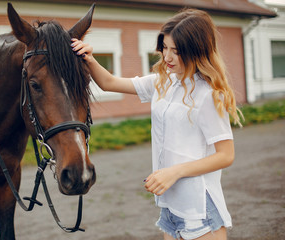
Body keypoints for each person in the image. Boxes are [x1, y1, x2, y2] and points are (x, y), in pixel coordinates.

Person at [71, 8, 243, 240]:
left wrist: (174, 172)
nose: (167, 57)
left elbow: (225, 156)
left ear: (196, 51)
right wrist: (88, 57)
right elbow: (108, 82)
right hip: (170, 203)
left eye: (177, 51)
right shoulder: (163, 83)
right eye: (165, 48)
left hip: (198, 207)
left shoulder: (208, 95)